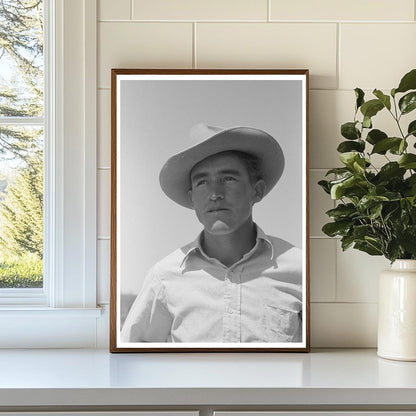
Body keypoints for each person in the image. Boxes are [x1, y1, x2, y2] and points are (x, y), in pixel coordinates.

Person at [121, 123, 303, 343]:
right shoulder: (164, 277)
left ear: (257, 190)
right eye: (202, 182)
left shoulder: (299, 269)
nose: (215, 194)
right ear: (192, 199)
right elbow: (133, 358)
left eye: (229, 179)